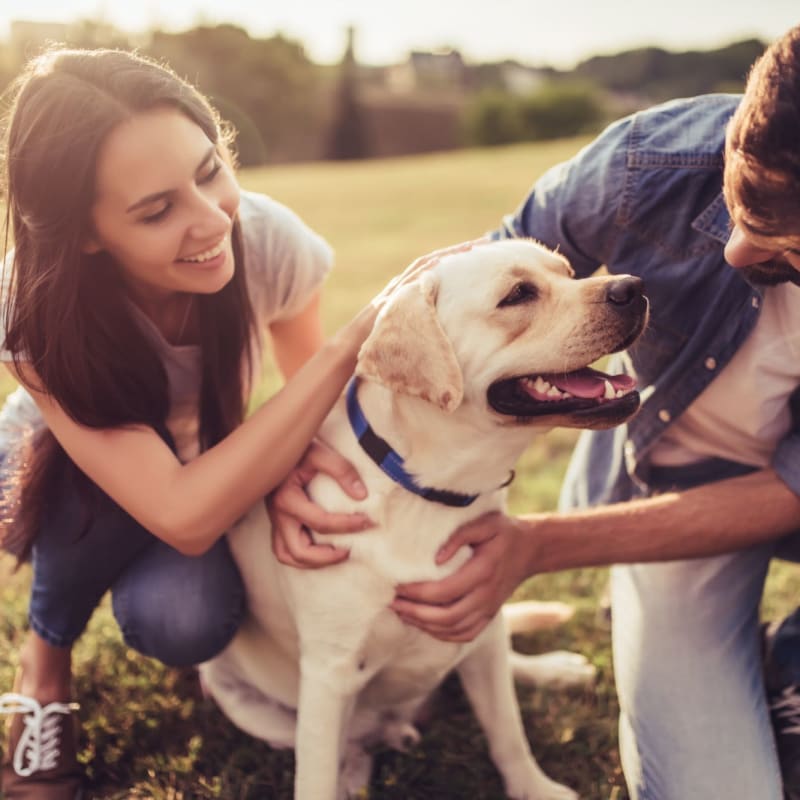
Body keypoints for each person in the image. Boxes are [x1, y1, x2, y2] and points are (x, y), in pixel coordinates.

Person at [270, 23, 800, 800]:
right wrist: (298, 450)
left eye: (783, 245)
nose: (734, 253)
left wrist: (538, 543)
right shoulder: (649, 164)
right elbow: (465, 289)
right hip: (657, 469)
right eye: (737, 201)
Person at [0, 45, 409, 800]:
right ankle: (43, 672)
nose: (211, 219)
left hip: (195, 466)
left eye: (209, 170)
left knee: (182, 620)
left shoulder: (268, 238)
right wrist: (359, 336)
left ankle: (146, 597)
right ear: (84, 232)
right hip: (52, 474)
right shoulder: (33, 312)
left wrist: (287, 476)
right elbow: (183, 515)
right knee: (110, 494)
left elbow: (311, 406)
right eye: (156, 210)